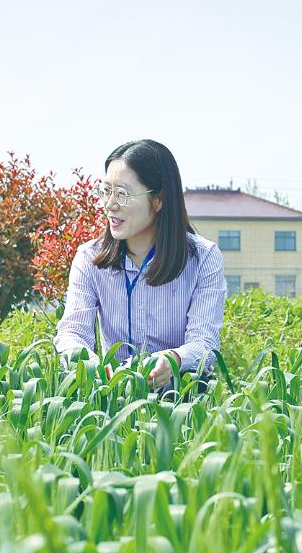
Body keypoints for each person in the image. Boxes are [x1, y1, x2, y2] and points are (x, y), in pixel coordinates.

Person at [55, 139, 225, 388]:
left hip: (180, 396)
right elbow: (72, 333)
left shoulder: (203, 258)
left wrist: (174, 359)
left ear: (158, 200)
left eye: (122, 194)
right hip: (112, 393)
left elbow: (205, 343)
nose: (110, 204)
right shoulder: (89, 258)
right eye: (106, 191)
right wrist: (90, 364)